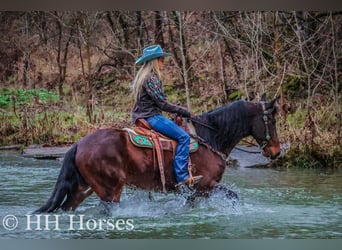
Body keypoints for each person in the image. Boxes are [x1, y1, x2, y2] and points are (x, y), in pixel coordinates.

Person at [131, 44, 202, 188]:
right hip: (152, 117)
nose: (163, 62)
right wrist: (183, 111)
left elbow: (158, 103)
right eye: (162, 59)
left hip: (143, 116)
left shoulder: (144, 78)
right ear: (155, 61)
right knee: (184, 137)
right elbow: (162, 104)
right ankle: (182, 176)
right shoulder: (151, 78)